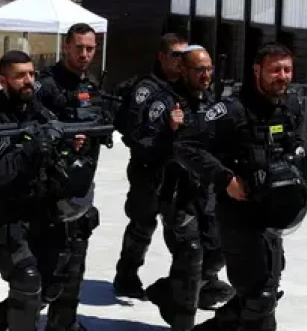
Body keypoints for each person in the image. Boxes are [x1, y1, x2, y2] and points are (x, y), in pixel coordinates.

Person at [176, 43, 307, 331]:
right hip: (238, 215)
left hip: (274, 215)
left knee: (263, 296)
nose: (283, 76)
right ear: (257, 70)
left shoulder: (291, 106)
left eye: (287, 69)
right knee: (258, 299)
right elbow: (185, 145)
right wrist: (226, 179)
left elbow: (298, 147)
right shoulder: (231, 110)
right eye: (275, 70)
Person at [0, 51, 95, 331]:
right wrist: (30, 150)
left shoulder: (42, 113)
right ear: (3, 80)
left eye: (31, 74)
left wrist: (69, 146)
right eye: (19, 76)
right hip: (10, 217)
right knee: (27, 280)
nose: (28, 81)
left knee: (53, 286)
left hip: (45, 214)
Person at [143, 46, 235, 330]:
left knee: (220, 249)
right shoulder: (164, 102)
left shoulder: (212, 103)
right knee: (190, 252)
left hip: (208, 192)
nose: (205, 75)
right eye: (199, 69)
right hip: (176, 192)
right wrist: (168, 130)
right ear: (182, 69)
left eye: (208, 69)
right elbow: (144, 145)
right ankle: (183, 322)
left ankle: (169, 291)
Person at [31, 23, 111, 331]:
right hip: (48, 192)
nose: (85, 54)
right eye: (79, 47)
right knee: (47, 271)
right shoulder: (46, 85)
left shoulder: (90, 86)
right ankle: (3, 319)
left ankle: (63, 324)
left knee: (76, 261)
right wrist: (63, 140)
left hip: (79, 188)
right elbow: (31, 128)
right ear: (66, 46)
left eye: (90, 48)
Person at [113, 33, 187, 297]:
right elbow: (137, 132)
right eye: (175, 55)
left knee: (183, 227)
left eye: (184, 55)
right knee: (143, 224)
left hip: (179, 171)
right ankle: (127, 275)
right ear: (162, 56)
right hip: (149, 169)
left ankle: (190, 281)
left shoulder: (188, 86)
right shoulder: (147, 89)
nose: (180, 61)